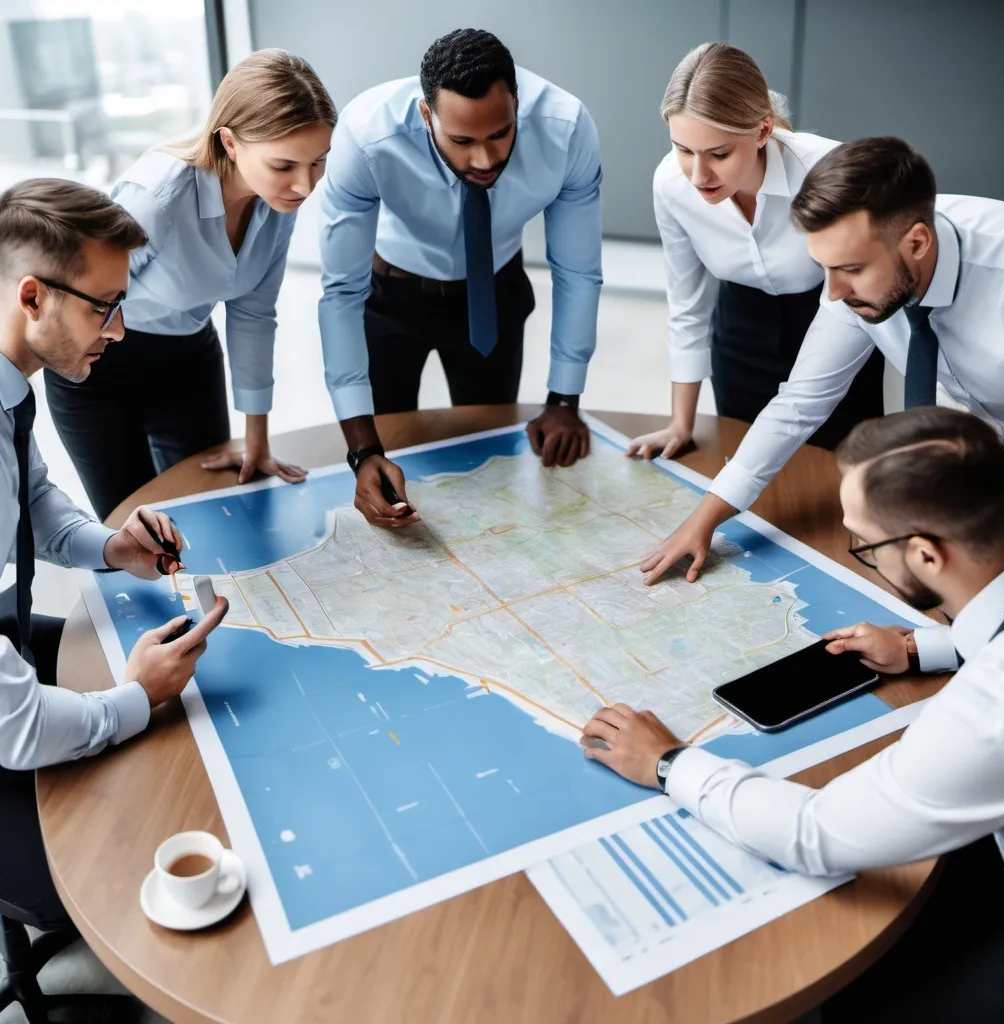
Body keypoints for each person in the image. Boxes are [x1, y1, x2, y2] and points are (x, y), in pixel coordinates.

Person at [583, 406, 1004, 1023]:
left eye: (865, 543)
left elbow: (815, 834)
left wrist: (668, 764)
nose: (861, 550)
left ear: (925, 556)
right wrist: (921, 646)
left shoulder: (1001, 703)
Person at [641, 136, 1004, 591]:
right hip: (996, 439)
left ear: (917, 242)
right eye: (824, 268)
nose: (834, 294)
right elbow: (801, 399)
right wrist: (708, 516)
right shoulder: (853, 282)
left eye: (852, 269)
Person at [0, 178, 228, 937]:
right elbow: (19, 729)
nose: (121, 331)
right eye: (104, 306)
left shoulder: (10, 386)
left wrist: (111, 546)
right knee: (128, 859)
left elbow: (35, 500)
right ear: (33, 296)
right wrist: (139, 696)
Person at [318, 28, 603, 529]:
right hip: (389, 298)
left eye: (499, 134)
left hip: (493, 296)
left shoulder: (567, 128)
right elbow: (341, 292)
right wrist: (362, 452)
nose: (484, 160)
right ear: (427, 115)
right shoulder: (366, 136)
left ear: (517, 102)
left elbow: (577, 271)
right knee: (391, 457)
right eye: (462, 140)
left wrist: (564, 399)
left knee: (489, 463)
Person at [44, 49, 338, 521]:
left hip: (188, 356)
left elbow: (254, 311)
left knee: (212, 507)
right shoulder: (157, 198)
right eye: (285, 165)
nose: (305, 186)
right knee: (134, 526)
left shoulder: (278, 202)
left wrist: (256, 436)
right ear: (230, 142)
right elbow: (82, 305)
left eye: (318, 163)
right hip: (100, 365)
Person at [627, 43, 882, 462]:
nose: (698, 175)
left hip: (833, 320)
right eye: (683, 149)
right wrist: (681, 424)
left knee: (835, 473)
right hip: (739, 333)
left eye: (719, 154)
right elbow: (687, 305)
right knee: (748, 467)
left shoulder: (828, 169)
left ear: (763, 131)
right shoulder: (670, 184)